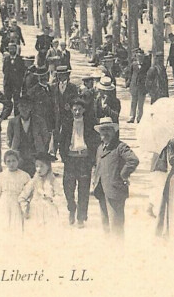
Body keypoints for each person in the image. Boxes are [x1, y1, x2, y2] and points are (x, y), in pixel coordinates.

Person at [91, 117, 139, 237]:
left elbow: (133, 160)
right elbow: (97, 165)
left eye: (108, 130)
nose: (105, 133)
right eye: (103, 130)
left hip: (115, 191)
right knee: (105, 225)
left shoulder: (120, 147)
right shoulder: (100, 148)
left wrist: (123, 175)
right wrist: (95, 180)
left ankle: (118, 252)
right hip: (101, 190)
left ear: (114, 131)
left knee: (116, 226)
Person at [57, 98, 99, 228]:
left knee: (84, 189)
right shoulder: (67, 123)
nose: (76, 112)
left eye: (79, 109)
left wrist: (92, 159)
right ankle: (72, 208)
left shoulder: (90, 124)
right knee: (68, 187)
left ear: (84, 110)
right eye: (74, 109)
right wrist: (64, 157)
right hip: (70, 159)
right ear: (71, 110)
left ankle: (81, 217)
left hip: (84, 159)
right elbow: (61, 140)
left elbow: (94, 142)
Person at [6, 96, 50, 176]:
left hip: (35, 155)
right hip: (19, 156)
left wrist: (39, 146)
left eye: (27, 106)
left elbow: (45, 137)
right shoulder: (13, 122)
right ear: (18, 108)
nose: (24, 109)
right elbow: (9, 140)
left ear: (31, 107)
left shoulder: (39, 121)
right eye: (21, 106)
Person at [19, 153, 60, 231]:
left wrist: (51, 199)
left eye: (42, 166)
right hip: (35, 211)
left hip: (49, 212)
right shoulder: (33, 182)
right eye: (37, 166)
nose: (39, 169)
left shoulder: (52, 181)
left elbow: (60, 196)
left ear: (48, 167)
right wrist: (26, 207)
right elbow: (22, 196)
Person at [0, 150, 31, 234]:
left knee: (16, 223)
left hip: (17, 202)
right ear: (5, 163)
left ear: (18, 161)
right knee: (4, 223)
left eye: (14, 161)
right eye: (8, 161)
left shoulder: (24, 175)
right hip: (4, 202)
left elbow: (28, 192)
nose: (11, 164)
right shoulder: (2, 175)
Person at [2, 42, 26, 114]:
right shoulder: (6, 59)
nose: (11, 50)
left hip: (16, 83)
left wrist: (19, 80)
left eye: (13, 48)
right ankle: (6, 113)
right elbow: (4, 70)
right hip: (8, 83)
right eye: (10, 49)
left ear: (16, 49)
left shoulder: (20, 59)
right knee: (7, 99)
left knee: (16, 99)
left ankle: (17, 114)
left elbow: (22, 71)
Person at [125, 52, 148, 123]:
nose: (140, 59)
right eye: (139, 57)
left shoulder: (146, 65)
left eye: (142, 57)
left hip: (142, 87)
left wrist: (147, 87)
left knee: (140, 104)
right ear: (136, 57)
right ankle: (131, 117)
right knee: (133, 103)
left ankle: (139, 118)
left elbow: (148, 76)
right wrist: (128, 83)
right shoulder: (133, 64)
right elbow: (129, 74)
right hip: (134, 86)